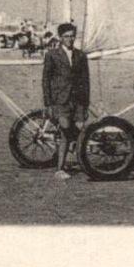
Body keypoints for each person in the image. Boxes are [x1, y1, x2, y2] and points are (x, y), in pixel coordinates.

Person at [42, 22, 90, 178]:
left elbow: (86, 80)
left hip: (78, 100)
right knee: (65, 129)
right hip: (60, 99)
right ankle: (60, 169)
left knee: (81, 128)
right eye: (66, 37)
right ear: (60, 38)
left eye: (72, 36)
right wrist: (48, 104)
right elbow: (46, 80)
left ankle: (82, 162)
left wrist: (86, 103)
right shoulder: (52, 55)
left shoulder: (80, 55)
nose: (70, 39)